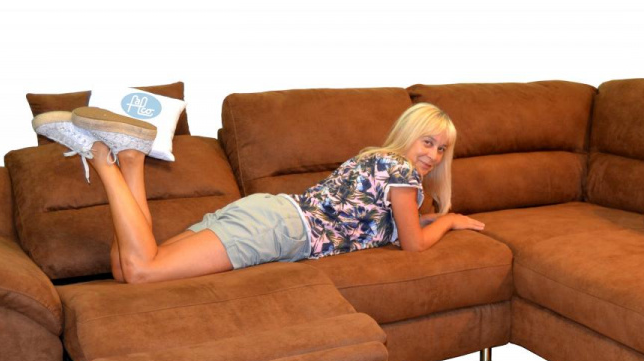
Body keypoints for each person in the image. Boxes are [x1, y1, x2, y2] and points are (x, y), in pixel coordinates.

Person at [32, 103, 485, 284]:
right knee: (142, 272)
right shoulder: (402, 172)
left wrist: (426, 217)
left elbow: (387, 224)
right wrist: (448, 219)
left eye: (442, 149)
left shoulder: (376, 159)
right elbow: (413, 245)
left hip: (269, 213)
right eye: (428, 142)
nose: (433, 155)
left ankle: (131, 159)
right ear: (408, 135)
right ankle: (102, 157)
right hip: (281, 230)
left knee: (125, 268)